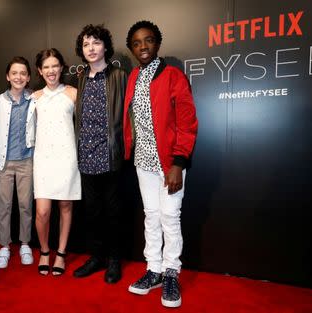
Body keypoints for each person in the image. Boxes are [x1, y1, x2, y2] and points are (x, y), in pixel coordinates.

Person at [123, 21, 198, 307]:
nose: (144, 46)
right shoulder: (133, 78)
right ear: (131, 48)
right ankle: (153, 269)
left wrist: (178, 163)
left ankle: (171, 272)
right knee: (151, 216)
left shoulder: (173, 76)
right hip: (143, 162)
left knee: (169, 216)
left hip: (170, 163)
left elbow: (187, 123)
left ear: (158, 43)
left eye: (149, 40)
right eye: (138, 43)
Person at [72, 24, 128, 284]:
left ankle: (114, 260)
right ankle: (96, 257)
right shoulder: (81, 78)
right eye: (86, 44)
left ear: (105, 46)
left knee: (113, 212)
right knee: (91, 212)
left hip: (111, 155)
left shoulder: (119, 76)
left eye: (96, 42)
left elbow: (129, 117)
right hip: (86, 156)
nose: (91, 48)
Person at [32, 48, 81, 276]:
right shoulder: (35, 97)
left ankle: (60, 253)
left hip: (67, 157)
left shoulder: (72, 93)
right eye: (46, 67)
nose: (51, 71)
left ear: (61, 68)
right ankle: (44, 250)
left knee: (65, 206)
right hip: (43, 159)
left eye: (55, 66)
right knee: (42, 212)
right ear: (40, 71)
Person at [0, 57, 36, 269]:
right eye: (14, 73)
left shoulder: (35, 100)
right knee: (4, 206)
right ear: (8, 76)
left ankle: (25, 243)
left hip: (27, 160)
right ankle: (4, 246)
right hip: (3, 162)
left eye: (23, 73)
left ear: (28, 77)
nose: (18, 77)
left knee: (26, 205)